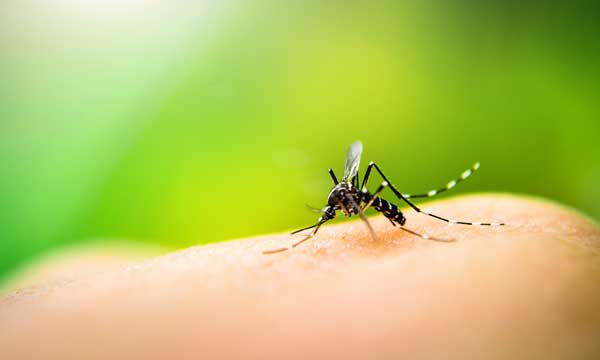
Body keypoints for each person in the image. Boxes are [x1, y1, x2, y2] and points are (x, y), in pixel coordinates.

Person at [1, 194, 600, 359]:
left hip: (401, 214)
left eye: (333, 214)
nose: (334, 216)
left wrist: (389, 223)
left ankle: (420, 218)